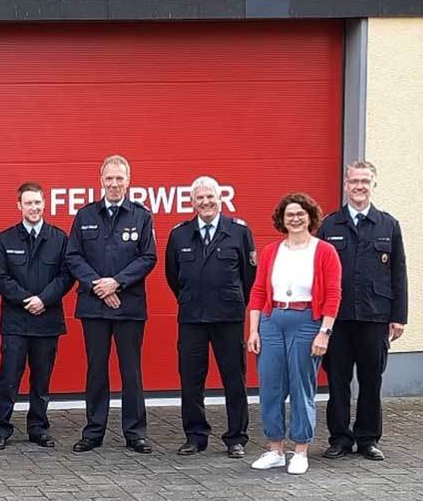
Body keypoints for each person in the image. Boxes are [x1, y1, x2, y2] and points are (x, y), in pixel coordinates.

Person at [65, 154, 157, 453]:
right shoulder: (85, 215)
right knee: (96, 370)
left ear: (128, 181)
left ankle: (135, 432)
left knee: (131, 371)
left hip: (128, 306)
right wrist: (99, 285)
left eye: (119, 178)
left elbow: (148, 257)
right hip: (94, 305)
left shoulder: (141, 216)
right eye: (109, 179)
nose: (114, 184)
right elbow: (73, 257)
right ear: (100, 180)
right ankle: (93, 431)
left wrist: (116, 282)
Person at [318, 160, 409, 461]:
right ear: (345, 185)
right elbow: (318, 273)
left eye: (365, 181)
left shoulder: (388, 224)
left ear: (373, 185)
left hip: (375, 316)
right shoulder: (330, 225)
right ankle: (340, 438)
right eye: (354, 181)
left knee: (372, 381)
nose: (359, 186)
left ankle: (368, 438)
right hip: (339, 318)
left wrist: (399, 316)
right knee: (338, 381)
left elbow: (399, 273)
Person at [247, 192, 342, 475]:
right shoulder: (272, 251)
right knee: (270, 386)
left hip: (307, 321)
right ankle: (275, 448)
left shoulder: (324, 251)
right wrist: (254, 329)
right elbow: (259, 291)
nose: (296, 218)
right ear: (282, 220)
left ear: (310, 217)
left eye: (301, 213)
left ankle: (300, 449)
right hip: (272, 320)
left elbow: (334, 295)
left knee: (302, 386)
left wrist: (324, 332)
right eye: (290, 214)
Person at [164, 176, 257, 459]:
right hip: (192, 316)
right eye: (199, 198)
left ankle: (236, 438)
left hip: (228, 317)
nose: (205, 202)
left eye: (210, 197)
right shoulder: (179, 233)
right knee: (191, 379)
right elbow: (173, 276)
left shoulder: (239, 232)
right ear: (192, 202)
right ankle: (195, 436)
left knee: (234, 378)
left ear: (220, 199)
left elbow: (248, 276)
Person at [0, 182, 75, 450]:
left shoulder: (59, 239)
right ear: (19, 206)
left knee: (41, 380)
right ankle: (1, 428)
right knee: (8, 378)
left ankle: (38, 427)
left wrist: (43, 300)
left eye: (37, 203)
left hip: (47, 321)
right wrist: (28, 300)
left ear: (44, 203)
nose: (33, 208)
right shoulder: (5, 240)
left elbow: (66, 275)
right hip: (16, 322)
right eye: (28, 203)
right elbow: (0, 278)